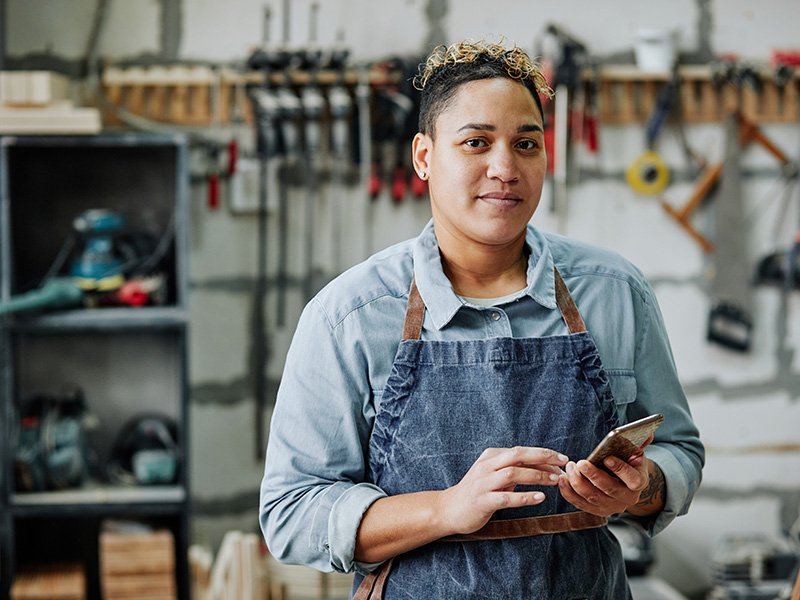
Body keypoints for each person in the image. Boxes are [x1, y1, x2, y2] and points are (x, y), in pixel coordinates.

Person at [260, 37, 704, 599]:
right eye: (476, 143)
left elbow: (679, 451)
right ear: (424, 156)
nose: (505, 168)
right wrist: (446, 509)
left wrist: (639, 489)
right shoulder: (351, 315)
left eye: (526, 144)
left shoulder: (614, 292)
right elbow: (290, 514)